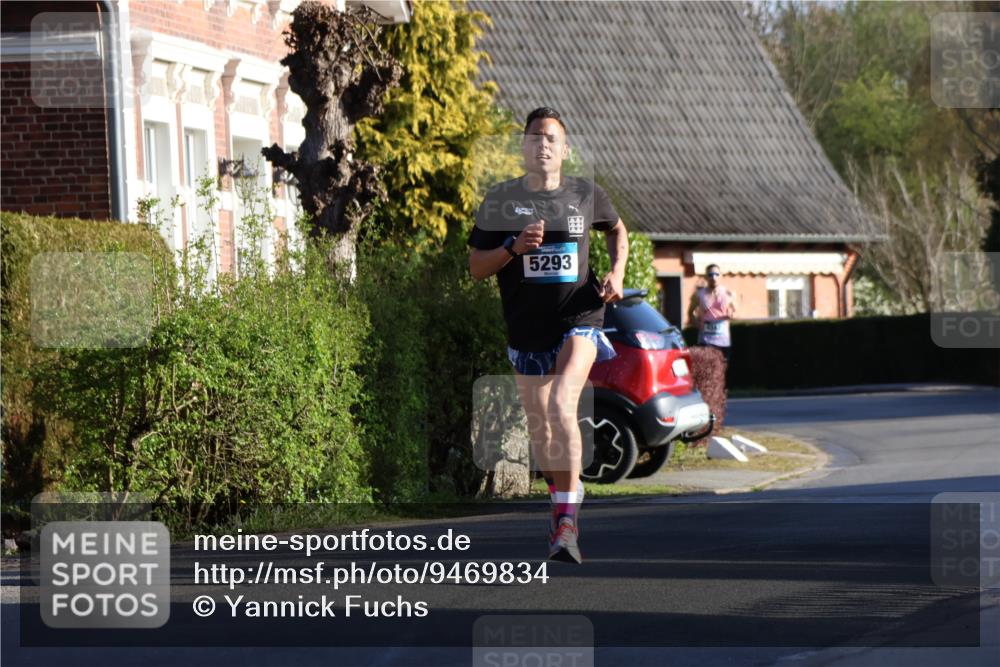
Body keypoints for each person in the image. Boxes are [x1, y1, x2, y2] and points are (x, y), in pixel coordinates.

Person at [467, 107, 629, 563]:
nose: (543, 144)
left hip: (580, 317)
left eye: (552, 138)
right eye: (536, 136)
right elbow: (476, 268)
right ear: (523, 146)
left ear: (565, 149)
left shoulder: (584, 193)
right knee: (541, 430)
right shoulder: (501, 201)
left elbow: (619, 232)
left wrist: (617, 271)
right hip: (526, 331)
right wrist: (511, 247)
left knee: (562, 404)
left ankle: (567, 521)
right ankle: (563, 496)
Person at [687, 264, 736, 364]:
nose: (713, 277)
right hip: (705, 341)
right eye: (710, 275)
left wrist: (731, 313)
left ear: (720, 276)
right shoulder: (699, 294)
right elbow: (690, 313)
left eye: (716, 274)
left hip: (723, 342)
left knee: (721, 373)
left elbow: (734, 311)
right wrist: (698, 324)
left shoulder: (728, 293)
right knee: (707, 373)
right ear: (706, 277)